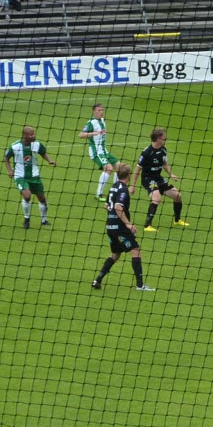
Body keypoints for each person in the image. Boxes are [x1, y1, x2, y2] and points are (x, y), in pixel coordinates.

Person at [92, 164, 156, 292]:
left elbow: (106, 206)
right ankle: (140, 285)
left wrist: (113, 217)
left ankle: (97, 280)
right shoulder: (123, 190)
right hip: (120, 227)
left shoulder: (113, 187)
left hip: (110, 226)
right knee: (135, 250)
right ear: (128, 175)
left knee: (115, 254)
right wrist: (128, 223)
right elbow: (118, 207)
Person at [130, 127, 188, 232]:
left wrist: (171, 174)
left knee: (178, 196)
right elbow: (137, 169)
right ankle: (147, 226)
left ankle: (177, 220)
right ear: (157, 138)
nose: (165, 140)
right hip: (148, 180)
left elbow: (165, 164)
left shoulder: (163, 150)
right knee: (156, 198)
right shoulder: (146, 152)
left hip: (159, 179)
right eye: (164, 138)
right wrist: (132, 186)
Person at [4, 126, 56, 229]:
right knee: (27, 196)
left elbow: (43, 153)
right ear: (25, 135)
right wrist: (9, 170)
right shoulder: (15, 146)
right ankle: (26, 219)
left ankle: (44, 220)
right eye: (31, 134)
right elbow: (6, 157)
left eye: (34, 133)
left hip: (35, 176)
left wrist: (49, 160)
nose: (34, 136)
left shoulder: (37, 144)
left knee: (42, 199)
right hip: (20, 176)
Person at [79, 104, 120, 201]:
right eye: (99, 110)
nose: (101, 112)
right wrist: (94, 133)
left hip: (104, 151)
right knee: (109, 168)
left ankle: (115, 192)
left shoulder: (102, 121)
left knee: (120, 167)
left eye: (102, 110)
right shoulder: (91, 122)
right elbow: (81, 135)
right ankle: (98, 194)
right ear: (94, 111)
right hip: (96, 151)